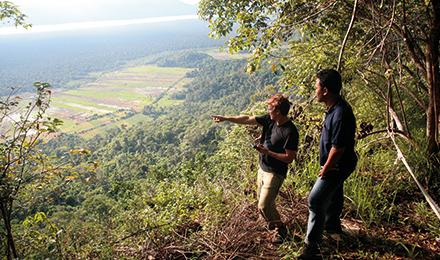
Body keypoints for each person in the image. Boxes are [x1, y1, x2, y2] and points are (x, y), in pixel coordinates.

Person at [211, 94, 299, 241]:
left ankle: (280, 229)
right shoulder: (270, 120)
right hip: (262, 169)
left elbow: (289, 158)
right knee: (264, 202)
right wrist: (226, 118)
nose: (268, 111)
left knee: (263, 206)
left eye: (270, 109)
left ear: (278, 111)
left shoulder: (290, 131)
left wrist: (268, 152)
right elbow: (246, 119)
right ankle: (276, 228)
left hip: (275, 173)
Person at [298, 69, 357, 260]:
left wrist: (327, 168)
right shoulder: (335, 108)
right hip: (338, 165)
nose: (314, 91)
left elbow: (338, 148)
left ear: (325, 90)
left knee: (315, 200)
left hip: (337, 166)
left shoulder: (340, 113)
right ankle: (332, 225)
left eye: (316, 87)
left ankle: (312, 248)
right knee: (334, 193)